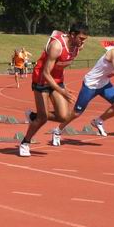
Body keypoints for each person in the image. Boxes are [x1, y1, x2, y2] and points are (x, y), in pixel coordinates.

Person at [54, 32, 114, 143]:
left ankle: (98, 121)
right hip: (91, 84)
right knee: (76, 113)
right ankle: (57, 130)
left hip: (104, 84)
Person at [19, 22, 89, 157]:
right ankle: (25, 142)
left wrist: (61, 86)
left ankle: (34, 115)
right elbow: (46, 73)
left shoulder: (77, 47)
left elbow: (62, 64)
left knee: (63, 116)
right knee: (43, 119)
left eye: (85, 39)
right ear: (72, 35)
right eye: (81, 39)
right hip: (42, 80)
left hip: (57, 80)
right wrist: (62, 91)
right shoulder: (56, 46)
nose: (83, 42)